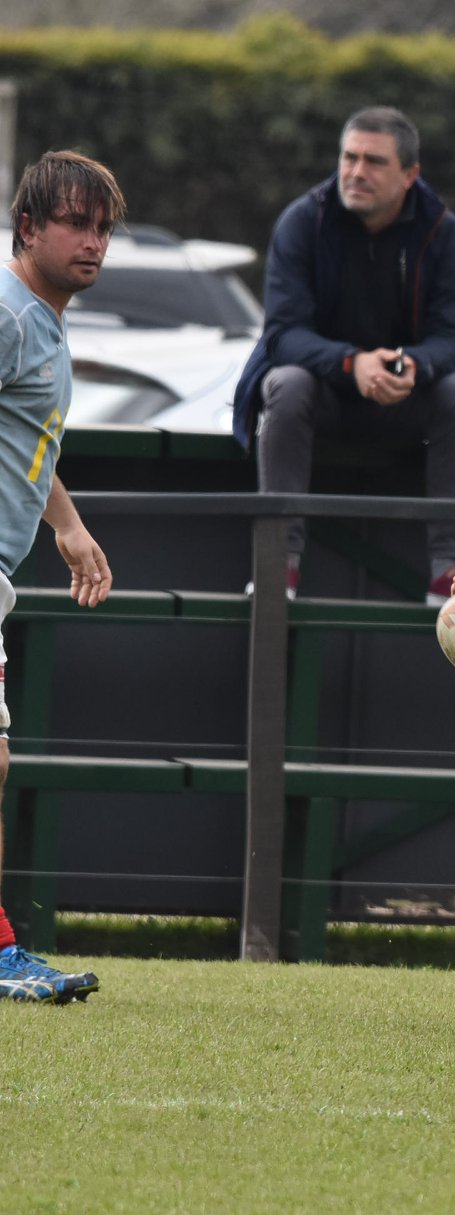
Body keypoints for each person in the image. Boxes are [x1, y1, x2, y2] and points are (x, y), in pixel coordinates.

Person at [232, 107, 455, 604]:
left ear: (410, 175)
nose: (355, 172)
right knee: (284, 383)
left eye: (373, 161)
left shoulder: (443, 231)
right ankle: (277, 562)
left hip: (404, 397)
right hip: (323, 393)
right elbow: (283, 334)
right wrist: (353, 364)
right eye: (349, 157)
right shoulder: (303, 221)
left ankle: (451, 574)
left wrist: (414, 365)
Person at [0, 150, 123, 1002]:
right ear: (28, 228)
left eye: (104, 227)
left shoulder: (41, 317)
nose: (94, 242)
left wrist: (69, 528)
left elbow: (24, 442)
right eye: (77, 224)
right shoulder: (9, 316)